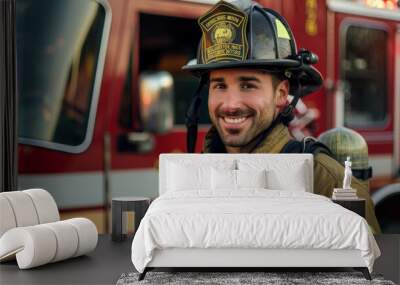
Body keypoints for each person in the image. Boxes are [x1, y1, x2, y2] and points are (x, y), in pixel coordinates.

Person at [182, 0, 381, 233]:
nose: (231, 104)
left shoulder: (325, 180)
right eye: (219, 86)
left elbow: (370, 265)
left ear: (281, 94)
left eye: (248, 85)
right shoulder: (192, 177)